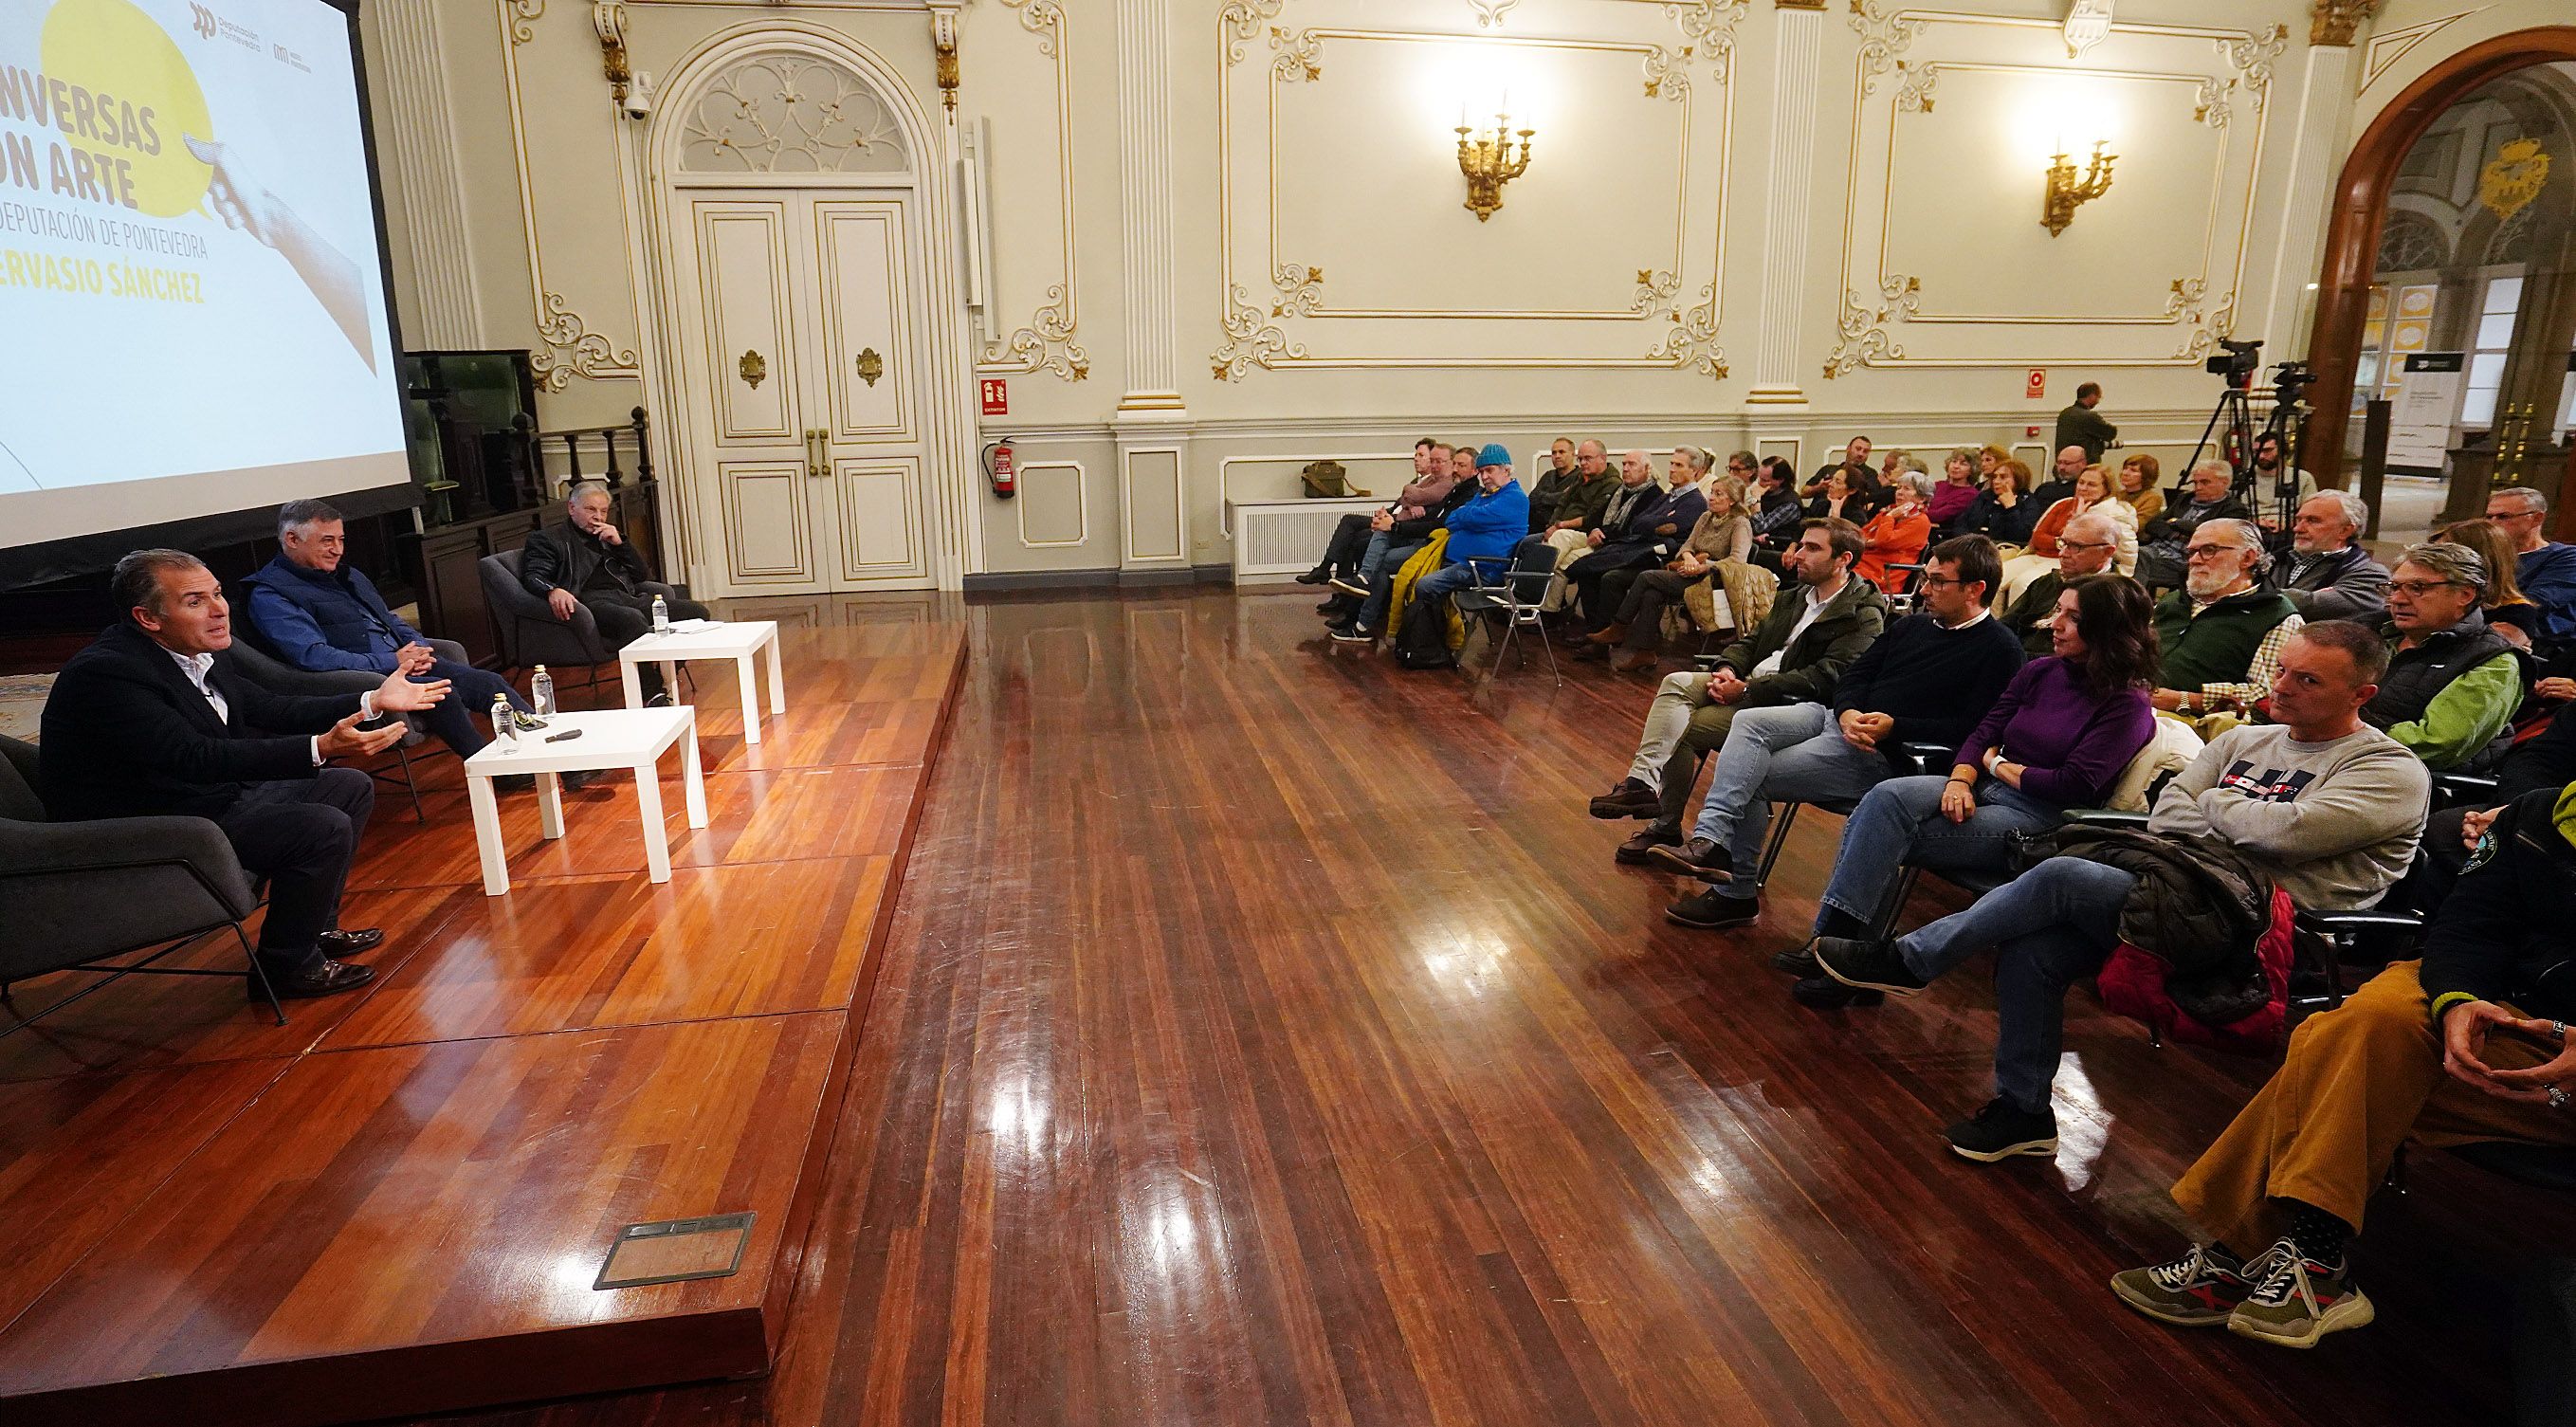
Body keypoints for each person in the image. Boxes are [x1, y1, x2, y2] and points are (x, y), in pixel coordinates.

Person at [1810, 621, 2428, 1160]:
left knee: (2060, 873)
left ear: (2361, 694)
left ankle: (1910, 960)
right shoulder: (2242, 740)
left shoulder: (2388, 770)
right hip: (2172, 895)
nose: (2282, 687)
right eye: (2283, 671)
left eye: (2308, 681)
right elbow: (2166, 814)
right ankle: (2023, 1113)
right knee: (2033, 950)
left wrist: (2212, 801)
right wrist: (2226, 812)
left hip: (2266, 933)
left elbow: (2285, 832)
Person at [2109, 778, 2572, 1348]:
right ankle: (2311, 1260)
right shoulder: (2541, 813)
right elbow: (2469, 927)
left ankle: (2255, 1252)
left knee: (2338, 1043)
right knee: (2370, 1021)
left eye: (2305, 678)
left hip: (2554, 1071)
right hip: (2501, 1025)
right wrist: (2458, 998)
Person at [38, 550, 452, 999]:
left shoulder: (198, 650)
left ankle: (311, 931)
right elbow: (192, 757)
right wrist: (320, 747)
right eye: (195, 601)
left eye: (217, 593)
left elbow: (274, 707)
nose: (219, 609)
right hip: (143, 818)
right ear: (148, 617)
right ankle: (285, 967)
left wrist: (372, 700)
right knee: (319, 827)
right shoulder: (109, 673)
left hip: (197, 795)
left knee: (348, 787)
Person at [1787, 576, 2160, 1009]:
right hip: (1982, 786)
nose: (2054, 623)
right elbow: (1985, 729)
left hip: (2039, 820)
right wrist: (1963, 777)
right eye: (2058, 610)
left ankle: (1836, 953)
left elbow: (2070, 784)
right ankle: (1839, 949)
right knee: (1886, 798)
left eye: (2072, 617)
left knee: (1884, 833)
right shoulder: (2042, 670)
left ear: (2109, 629)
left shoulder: (2127, 704)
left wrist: (1995, 763)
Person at [1653, 536, 2024, 924]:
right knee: (1749, 723)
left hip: (1880, 751)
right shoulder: (1912, 626)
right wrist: (1847, 711)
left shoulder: (2000, 649)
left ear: (1974, 589)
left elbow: (1978, 729)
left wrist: (1894, 728)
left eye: (1937, 581)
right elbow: (1856, 674)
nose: (1924, 590)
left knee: (1751, 774)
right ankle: (1711, 840)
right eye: (1926, 578)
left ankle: (1735, 892)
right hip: (1839, 719)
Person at [1587, 521, 1888, 853]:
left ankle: (1666, 827)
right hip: (1751, 684)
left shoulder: (1861, 613)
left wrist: (1746, 690)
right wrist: (1727, 669)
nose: (1798, 555)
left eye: (1812, 548)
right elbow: (1752, 642)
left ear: (1843, 559)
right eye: (1801, 545)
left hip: (1791, 704)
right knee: (1675, 682)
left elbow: (1830, 677)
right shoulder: (1795, 597)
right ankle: (1641, 783)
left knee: (1684, 729)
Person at [242, 500, 535, 768]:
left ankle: (545, 752)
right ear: (292, 540)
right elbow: (312, 655)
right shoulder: (270, 594)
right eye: (327, 540)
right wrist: (391, 660)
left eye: (341, 539)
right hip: (365, 678)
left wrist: (418, 647)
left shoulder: (347, 574)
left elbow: (390, 620)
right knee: (442, 693)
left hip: (404, 664)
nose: (338, 550)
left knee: (491, 683)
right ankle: (494, 770)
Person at [519, 481, 711, 699]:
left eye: (603, 511)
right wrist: (553, 590)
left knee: (696, 612)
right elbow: (533, 576)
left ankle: (666, 675)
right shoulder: (548, 539)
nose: (598, 517)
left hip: (626, 597)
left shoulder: (608, 536)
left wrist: (621, 545)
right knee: (633, 619)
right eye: (590, 509)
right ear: (572, 508)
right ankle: (649, 691)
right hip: (589, 603)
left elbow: (641, 576)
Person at [1331, 445, 1527, 645]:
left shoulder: (1514, 498)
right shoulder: (1483, 495)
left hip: (1479, 569)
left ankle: (1425, 639)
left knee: (1423, 583)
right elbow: (1453, 520)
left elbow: (1462, 517)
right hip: (1452, 559)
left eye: (1489, 470)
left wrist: (1467, 520)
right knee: (1382, 552)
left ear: (1506, 470)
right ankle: (1378, 625)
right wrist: (1468, 520)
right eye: (1482, 471)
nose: (1484, 476)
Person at [2359, 542, 2522, 772]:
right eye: (2394, 587)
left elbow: (2438, 743)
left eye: (2417, 588)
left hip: (2409, 780)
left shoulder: (2493, 661)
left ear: (2465, 594)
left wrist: (2344, 733)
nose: (2397, 599)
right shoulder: (2366, 630)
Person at [1586, 471, 1754, 671]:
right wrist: (1689, 558)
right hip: (1689, 571)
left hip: (1714, 580)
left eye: (1719, 494)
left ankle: (1619, 627)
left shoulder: (1740, 523)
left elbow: (1737, 560)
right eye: (1712, 492)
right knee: (1651, 594)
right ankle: (1644, 652)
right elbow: (1686, 546)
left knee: (1647, 576)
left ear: (1733, 501)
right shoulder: (1706, 517)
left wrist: (1703, 565)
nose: (1711, 497)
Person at [2150, 519, 2303, 723]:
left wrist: (2184, 699)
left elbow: (2267, 693)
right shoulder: (2173, 601)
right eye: (2192, 552)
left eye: (2209, 550)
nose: (2195, 560)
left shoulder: (2276, 615)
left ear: (2247, 558)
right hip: (2137, 703)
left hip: (2200, 722)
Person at [1565, 448, 1708, 629]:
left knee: (1610, 577)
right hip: (1641, 550)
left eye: (1679, 465)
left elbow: (1667, 528)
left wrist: (1652, 523)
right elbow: (1638, 523)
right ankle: (1594, 630)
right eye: (1672, 463)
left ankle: (1606, 632)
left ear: (1695, 470)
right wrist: (1655, 523)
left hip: (1659, 559)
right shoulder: (1667, 497)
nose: (1671, 469)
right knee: (1588, 572)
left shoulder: (1694, 501)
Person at [1300, 438, 1444, 589]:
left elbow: (1414, 498)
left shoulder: (1434, 484)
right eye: (1415, 455)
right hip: (1391, 516)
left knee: (1352, 534)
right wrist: (1386, 512)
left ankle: (1329, 574)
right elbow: (1405, 498)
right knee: (1349, 525)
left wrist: (1401, 507)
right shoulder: (1417, 480)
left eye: (1421, 455)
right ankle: (1336, 585)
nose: (1415, 459)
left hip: (1400, 524)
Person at [2000, 464, 2138, 600]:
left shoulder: (2114, 514)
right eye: (2081, 482)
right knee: (1995, 576)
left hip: (2068, 562)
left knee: (2022, 584)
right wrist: (2060, 541)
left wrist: (2075, 523)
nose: (2083, 488)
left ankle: (2018, 623)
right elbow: (2037, 537)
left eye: (2091, 485)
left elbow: (2127, 552)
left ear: (2106, 489)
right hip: (2037, 555)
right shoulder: (2063, 503)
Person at [1999, 513, 2121, 655]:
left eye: (2076, 546)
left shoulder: (2113, 597)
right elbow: (2005, 625)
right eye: (2063, 543)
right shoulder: (2048, 581)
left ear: (2107, 552)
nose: (2063, 553)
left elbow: (2084, 658)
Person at [2267, 490, 2389, 624]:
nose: (2298, 528)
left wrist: (2252, 593)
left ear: (2345, 531)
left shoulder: (2371, 575)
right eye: (2299, 520)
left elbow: (2313, 606)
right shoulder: (2273, 559)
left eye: (2313, 521)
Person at [2138, 459, 2252, 590]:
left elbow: (2210, 535)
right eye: (2195, 482)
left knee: (2136, 559)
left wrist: (2176, 522)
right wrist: (2174, 533)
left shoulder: (2233, 509)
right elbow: (2153, 525)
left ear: (2224, 483)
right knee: (2125, 556)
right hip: (2156, 550)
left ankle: (2133, 602)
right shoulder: (2185, 499)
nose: (2198, 487)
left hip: (2187, 561)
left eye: (2204, 482)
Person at [2435, 517, 2544, 649]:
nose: (2431, 564)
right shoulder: (2434, 596)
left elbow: (2473, 653)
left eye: (2443, 558)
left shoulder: (2517, 613)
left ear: (2478, 561)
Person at [2488, 485, 2576, 649]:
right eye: (2489, 517)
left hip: (2544, 647)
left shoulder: (2566, 557)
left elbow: (2534, 603)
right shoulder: (2486, 556)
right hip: (2491, 636)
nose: (2493, 524)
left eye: (2503, 516)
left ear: (2537, 518)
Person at [1855, 470, 1934, 595]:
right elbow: (1858, 536)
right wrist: (1871, 542)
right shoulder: (1888, 512)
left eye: (1907, 489)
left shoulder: (1920, 522)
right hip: (1863, 565)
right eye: (1899, 487)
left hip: (1883, 576)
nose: (1900, 492)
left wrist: (1890, 517)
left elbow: (1884, 541)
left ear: (1922, 498)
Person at [1957, 459, 2039, 549]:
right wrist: (1967, 543)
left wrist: (2011, 508)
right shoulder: (1985, 497)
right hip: (1972, 548)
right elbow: (1961, 523)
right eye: (1995, 477)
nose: (1996, 481)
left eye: (2003, 477)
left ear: (2018, 479)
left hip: (2004, 551)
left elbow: (2022, 537)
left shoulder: (2028, 502)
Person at [2247, 432, 2318, 535]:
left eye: (2267, 450)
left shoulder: (2303, 478)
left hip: (2289, 531)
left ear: (2282, 451)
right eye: (2257, 452)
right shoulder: (2245, 477)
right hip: (2249, 529)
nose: (2261, 456)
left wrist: (2286, 524)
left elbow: (2311, 513)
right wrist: (2254, 522)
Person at [1747, 456, 1806, 562]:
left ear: (1780, 480)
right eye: (1759, 478)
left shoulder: (1790, 504)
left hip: (1779, 550)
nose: (1760, 483)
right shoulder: (1766, 493)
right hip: (1758, 544)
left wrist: (1756, 500)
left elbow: (1759, 528)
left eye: (1765, 480)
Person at [1526, 436, 1582, 532]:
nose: (1557, 456)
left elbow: (1568, 501)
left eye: (1562, 452)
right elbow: (1532, 498)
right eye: (1554, 453)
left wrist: (1543, 497)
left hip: (1562, 529)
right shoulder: (1548, 475)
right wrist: (1557, 496)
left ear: (1573, 454)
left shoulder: (1580, 477)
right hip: (1536, 527)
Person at [2055, 381, 2117, 463]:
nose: (2098, 401)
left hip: (2063, 464)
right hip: (2083, 466)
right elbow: (2110, 433)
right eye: (2098, 397)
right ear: (2092, 396)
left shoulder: (2064, 413)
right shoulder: (2089, 417)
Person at [1928, 448, 1983, 532]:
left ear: (1972, 470)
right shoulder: (1937, 485)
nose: (1956, 466)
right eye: (1954, 461)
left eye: (1963, 464)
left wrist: (1916, 512)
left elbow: (1939, 515)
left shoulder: (1970, 494)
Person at [1803, 437, 1873, 499]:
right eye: (1858, 449)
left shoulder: (1870, 475)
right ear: (1848, 449)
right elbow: (1803, 493)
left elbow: (1871, 499)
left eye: (1865, 451)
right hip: (1817, 511)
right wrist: (1818, 488)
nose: (1860, 454)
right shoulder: (1828, 469)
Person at [2026, 445, 2087, 513]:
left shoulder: (2082, 490)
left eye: (2067, 463)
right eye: (2059, 463)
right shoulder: (2045, 488)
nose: (2062, 467)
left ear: (2082, 464)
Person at [2115, 453, 2165, 528]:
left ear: (2145, 476)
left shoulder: (2152, 499)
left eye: (2133, 470)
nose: (2125, 473)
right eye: (2125, 468)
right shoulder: (2116, 494)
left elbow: (2138, 525)